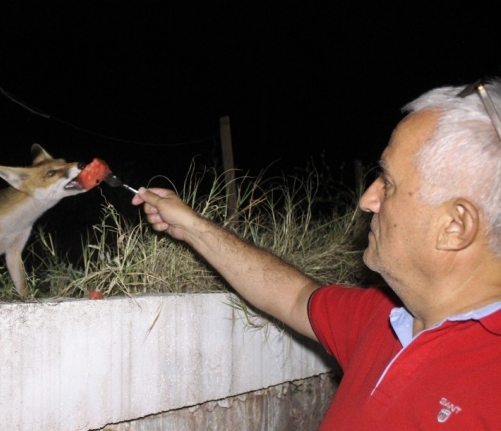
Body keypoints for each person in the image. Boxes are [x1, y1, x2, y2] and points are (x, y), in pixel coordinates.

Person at [131, 79, 501, 430]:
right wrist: (194, 227)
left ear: (455, 226)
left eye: (388, 184)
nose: (367, 200)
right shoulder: (389, 317)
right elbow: (293, 297)